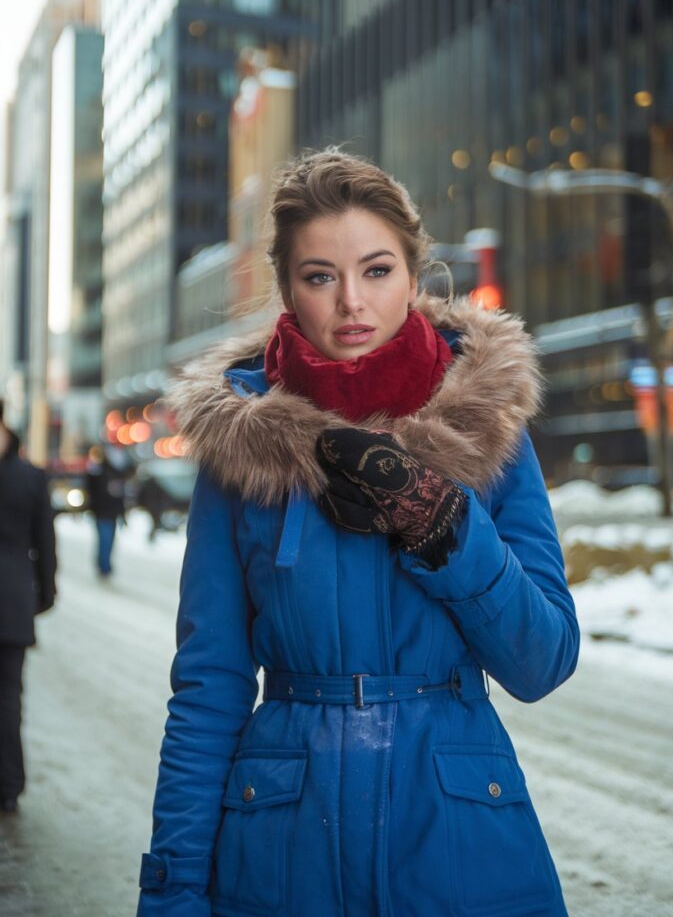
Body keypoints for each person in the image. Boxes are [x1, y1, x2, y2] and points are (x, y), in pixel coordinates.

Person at [137, 148, 579, 916]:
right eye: (319, 276)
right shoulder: (242, 449)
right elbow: (207, 689)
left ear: (413, 276)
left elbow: (542, 661)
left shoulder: (488, 426)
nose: (351, 302)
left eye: (376, 271)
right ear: (286, 289)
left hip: (455, 831)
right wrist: (172, 890)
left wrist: (442, 527)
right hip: (281, 840)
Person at [0, 400, 56, 813]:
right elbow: (45, 544)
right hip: (13, 602)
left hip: (15, 603)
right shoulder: (31, 477)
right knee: (8, 699)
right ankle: (9, 785)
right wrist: (44, 595)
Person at [85, 444, 130, 576]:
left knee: (108, 540)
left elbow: (118, 496)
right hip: (102, 512)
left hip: (109, 512)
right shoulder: (99, 471)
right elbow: (92, 489)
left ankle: (104, 564)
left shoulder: (114, 474)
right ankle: (104, 565)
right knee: (105, 539)